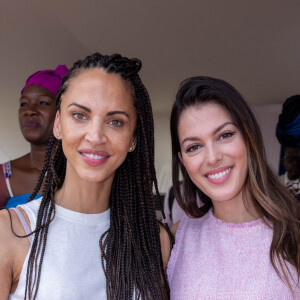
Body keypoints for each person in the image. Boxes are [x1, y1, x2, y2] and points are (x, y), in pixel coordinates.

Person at [0, 53, 171, 299]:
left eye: (115, 121)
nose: (95, 136)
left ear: (133, 138)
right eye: (80, 116)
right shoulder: (9, 232)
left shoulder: (154, 241)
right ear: (58, 124)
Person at [167, 76, 300, 299]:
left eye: (225, 135)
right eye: (194, 147)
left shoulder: (293, 233)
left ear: (249, 137)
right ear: (182, 161)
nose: (212, 157)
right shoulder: (175, 240)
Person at [0, 65, 69, 209]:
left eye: (43, 102)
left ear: (63, 111)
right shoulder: (4, 176)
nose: (29, 111)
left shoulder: (84, 172)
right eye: (24, 104)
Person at [276, 95, 300, 201]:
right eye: (290, 159)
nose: (295, 162)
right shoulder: (274, 185)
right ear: (283, 161)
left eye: (298, 158)